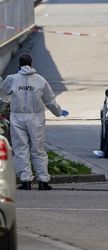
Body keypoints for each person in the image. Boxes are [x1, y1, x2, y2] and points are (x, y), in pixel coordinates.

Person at [0, 53, 69, 190]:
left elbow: (3, 92)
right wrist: (58, 112)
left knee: (21, 149)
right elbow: (50, 101)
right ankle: (43, 180)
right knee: (38, 149)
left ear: (19, 64)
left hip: (17, 117)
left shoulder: (12, 79)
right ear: (32, 63)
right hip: (36, 118)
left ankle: (25, 181)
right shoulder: (40, 80)